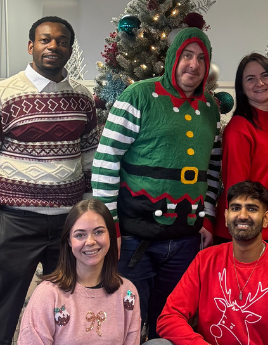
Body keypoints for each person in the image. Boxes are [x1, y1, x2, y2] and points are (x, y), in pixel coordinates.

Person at [0, 16, 101, 345]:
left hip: (70, 227)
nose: (54, 45)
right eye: (45, 39)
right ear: (31, 46)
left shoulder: (83, 99)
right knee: (4, 313)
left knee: (66, 312)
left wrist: (87, 216)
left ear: (70, 49)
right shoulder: (0, 96)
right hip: (15, 225)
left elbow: (89, 162)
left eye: (62, 41)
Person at [91, 27, 221, 340]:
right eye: (187, 55)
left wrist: (208, 218)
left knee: (172, 325)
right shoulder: (138, 96)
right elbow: (105, 162)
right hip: (134, 241)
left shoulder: (210, 108)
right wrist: (111, 228)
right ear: (173, 57)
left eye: (202, 58)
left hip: (186, 240)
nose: (194, 64)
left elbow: (213, 167)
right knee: (125, 325)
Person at [158, 181, 268, 345]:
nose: (242, 215)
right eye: (236, 208)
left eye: (252, 208)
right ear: (226, 216)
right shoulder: (205, 260)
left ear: (266, 218)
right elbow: (169, 317)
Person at [17, 199, 140, 344]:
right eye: (80, 235)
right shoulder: (48, 295)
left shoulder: (128, 293)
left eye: (98, 232)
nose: (90, 242)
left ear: (111, 236)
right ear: (69, 241)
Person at [215, 53, 268, 251]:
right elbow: (237, 190)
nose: (259, 83)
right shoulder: (239, 128)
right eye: (250, 79)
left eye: (265, 75)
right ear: (241, 88)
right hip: (246, 232)